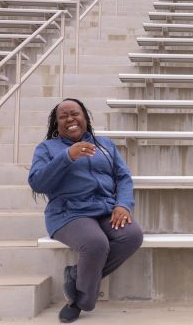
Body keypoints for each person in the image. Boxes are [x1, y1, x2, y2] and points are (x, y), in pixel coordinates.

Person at [28, 98, 143, 323]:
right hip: (68, 213)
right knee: (95, 243)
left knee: (132, 236)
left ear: (85, 117)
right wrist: (67, 156)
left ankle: (75, 276)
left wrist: (123, 204)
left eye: (75, 113)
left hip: (105, 209)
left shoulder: (105, 145)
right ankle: (81, 302)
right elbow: (38, 183)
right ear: (56, 123)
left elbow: (123, 177)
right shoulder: (47, 148)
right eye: (63, 116)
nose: (70, 119)